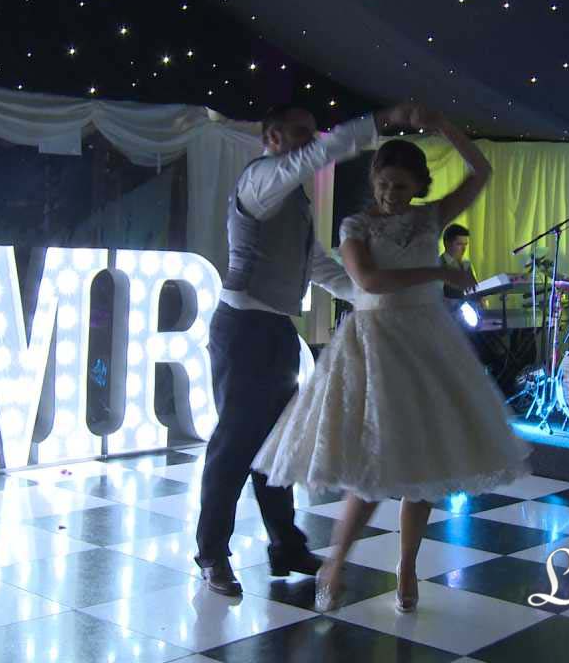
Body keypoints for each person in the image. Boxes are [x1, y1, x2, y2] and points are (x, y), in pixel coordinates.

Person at [252, 107, 530, 614]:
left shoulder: (430, 216)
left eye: (401, 186)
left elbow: (481, 172)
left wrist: (446, 125)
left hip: (426, 341)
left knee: (421, 461)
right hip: (373, 342)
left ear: (418, 186)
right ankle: (337, 562)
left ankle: (407, 566)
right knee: (371, 466)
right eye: (383, 183)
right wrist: (439, 274)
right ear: (374, 180)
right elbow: (369, 283)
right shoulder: (355, 224)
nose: (390, 194)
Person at [194, 102, 412, 597]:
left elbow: (316, 265)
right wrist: (376, 124)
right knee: (233, 448)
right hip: (243, 328)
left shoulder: (292, 200)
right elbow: (308, 161)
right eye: (301, 134)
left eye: (313, 135)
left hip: (274, 331)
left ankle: (286, 545)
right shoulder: (260, 180)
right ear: (272, 136)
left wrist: (371, 295)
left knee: (278, 447)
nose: (311, 144)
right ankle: (211, 553)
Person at [439, 223, 477, 298]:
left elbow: (473, 289)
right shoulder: (438, 264)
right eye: (459, 244)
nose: (464, 249)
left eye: (465, 244)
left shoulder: (466, 264)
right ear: (447, 243)